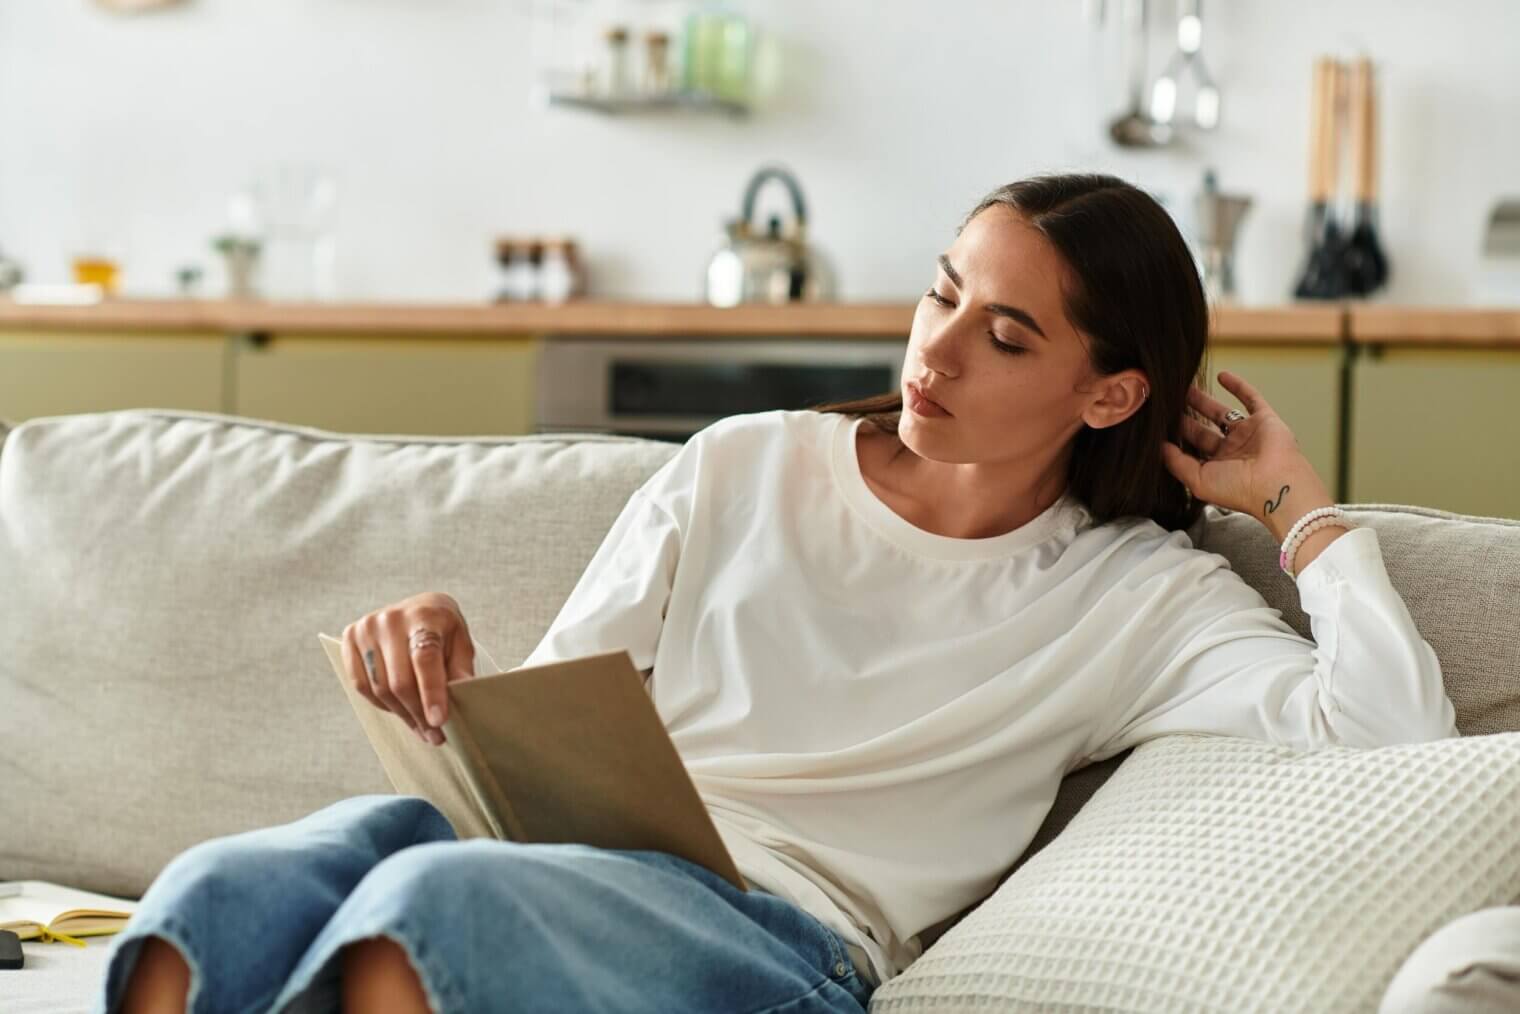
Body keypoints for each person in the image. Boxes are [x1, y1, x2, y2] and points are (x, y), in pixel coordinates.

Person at [98, 173, 1457, 1014]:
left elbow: (1392, 735)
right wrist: (454, 665)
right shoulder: (742, 463)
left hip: (771, 941)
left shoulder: (1135, 598)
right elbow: (547, 735)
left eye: (1005, 334)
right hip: (563, 864)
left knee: (445, 911)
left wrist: (1300, 510)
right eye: (940, 297)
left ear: (1109, 392)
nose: (935, 352)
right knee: (237, 884)